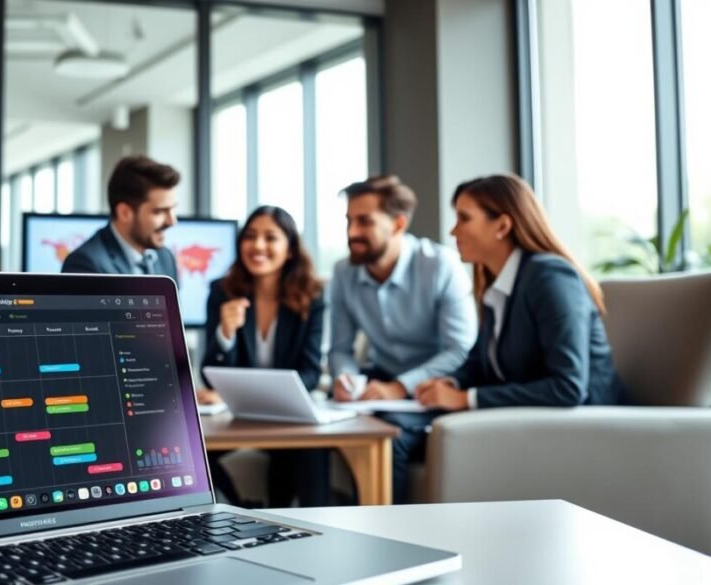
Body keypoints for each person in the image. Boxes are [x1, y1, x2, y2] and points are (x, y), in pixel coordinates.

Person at [414, 174, 623, 411]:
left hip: (587, 425)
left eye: (464, 219)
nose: (453, 231)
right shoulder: (500, 285)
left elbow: (568, 387)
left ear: (502, 226)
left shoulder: (550, 277)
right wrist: (451, 383)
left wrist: (465, 399)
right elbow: (480, 363)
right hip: (526, 422)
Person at [327, 174, 477, 503]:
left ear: (397, 224)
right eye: (349, 220)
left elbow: (460, 349)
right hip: (379, 382)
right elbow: (340, 349)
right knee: (321, 427)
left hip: (435, 388)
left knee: (386, 436)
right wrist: (346, 377)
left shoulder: (440, 265)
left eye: (364, 222)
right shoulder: (343, 273)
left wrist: (399, 386)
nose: (352, 232)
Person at [199, 206, 328, 507]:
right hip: (237, 419)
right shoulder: (222, 292)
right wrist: (226, 334)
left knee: (314, 452)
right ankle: (241, 510)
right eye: (250, 237)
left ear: (290, 249)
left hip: (288, 418)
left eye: (270, 238)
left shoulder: (313, 296)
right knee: (192, 456)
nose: (258, 246)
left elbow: (310, 373)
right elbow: (210, 372)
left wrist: (270, 397)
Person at [61, 155, 179, 280]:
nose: (172, 221)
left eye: (173, 209)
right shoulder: (85, 264)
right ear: (124, 213)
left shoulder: (165, 257)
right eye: (159, 211)